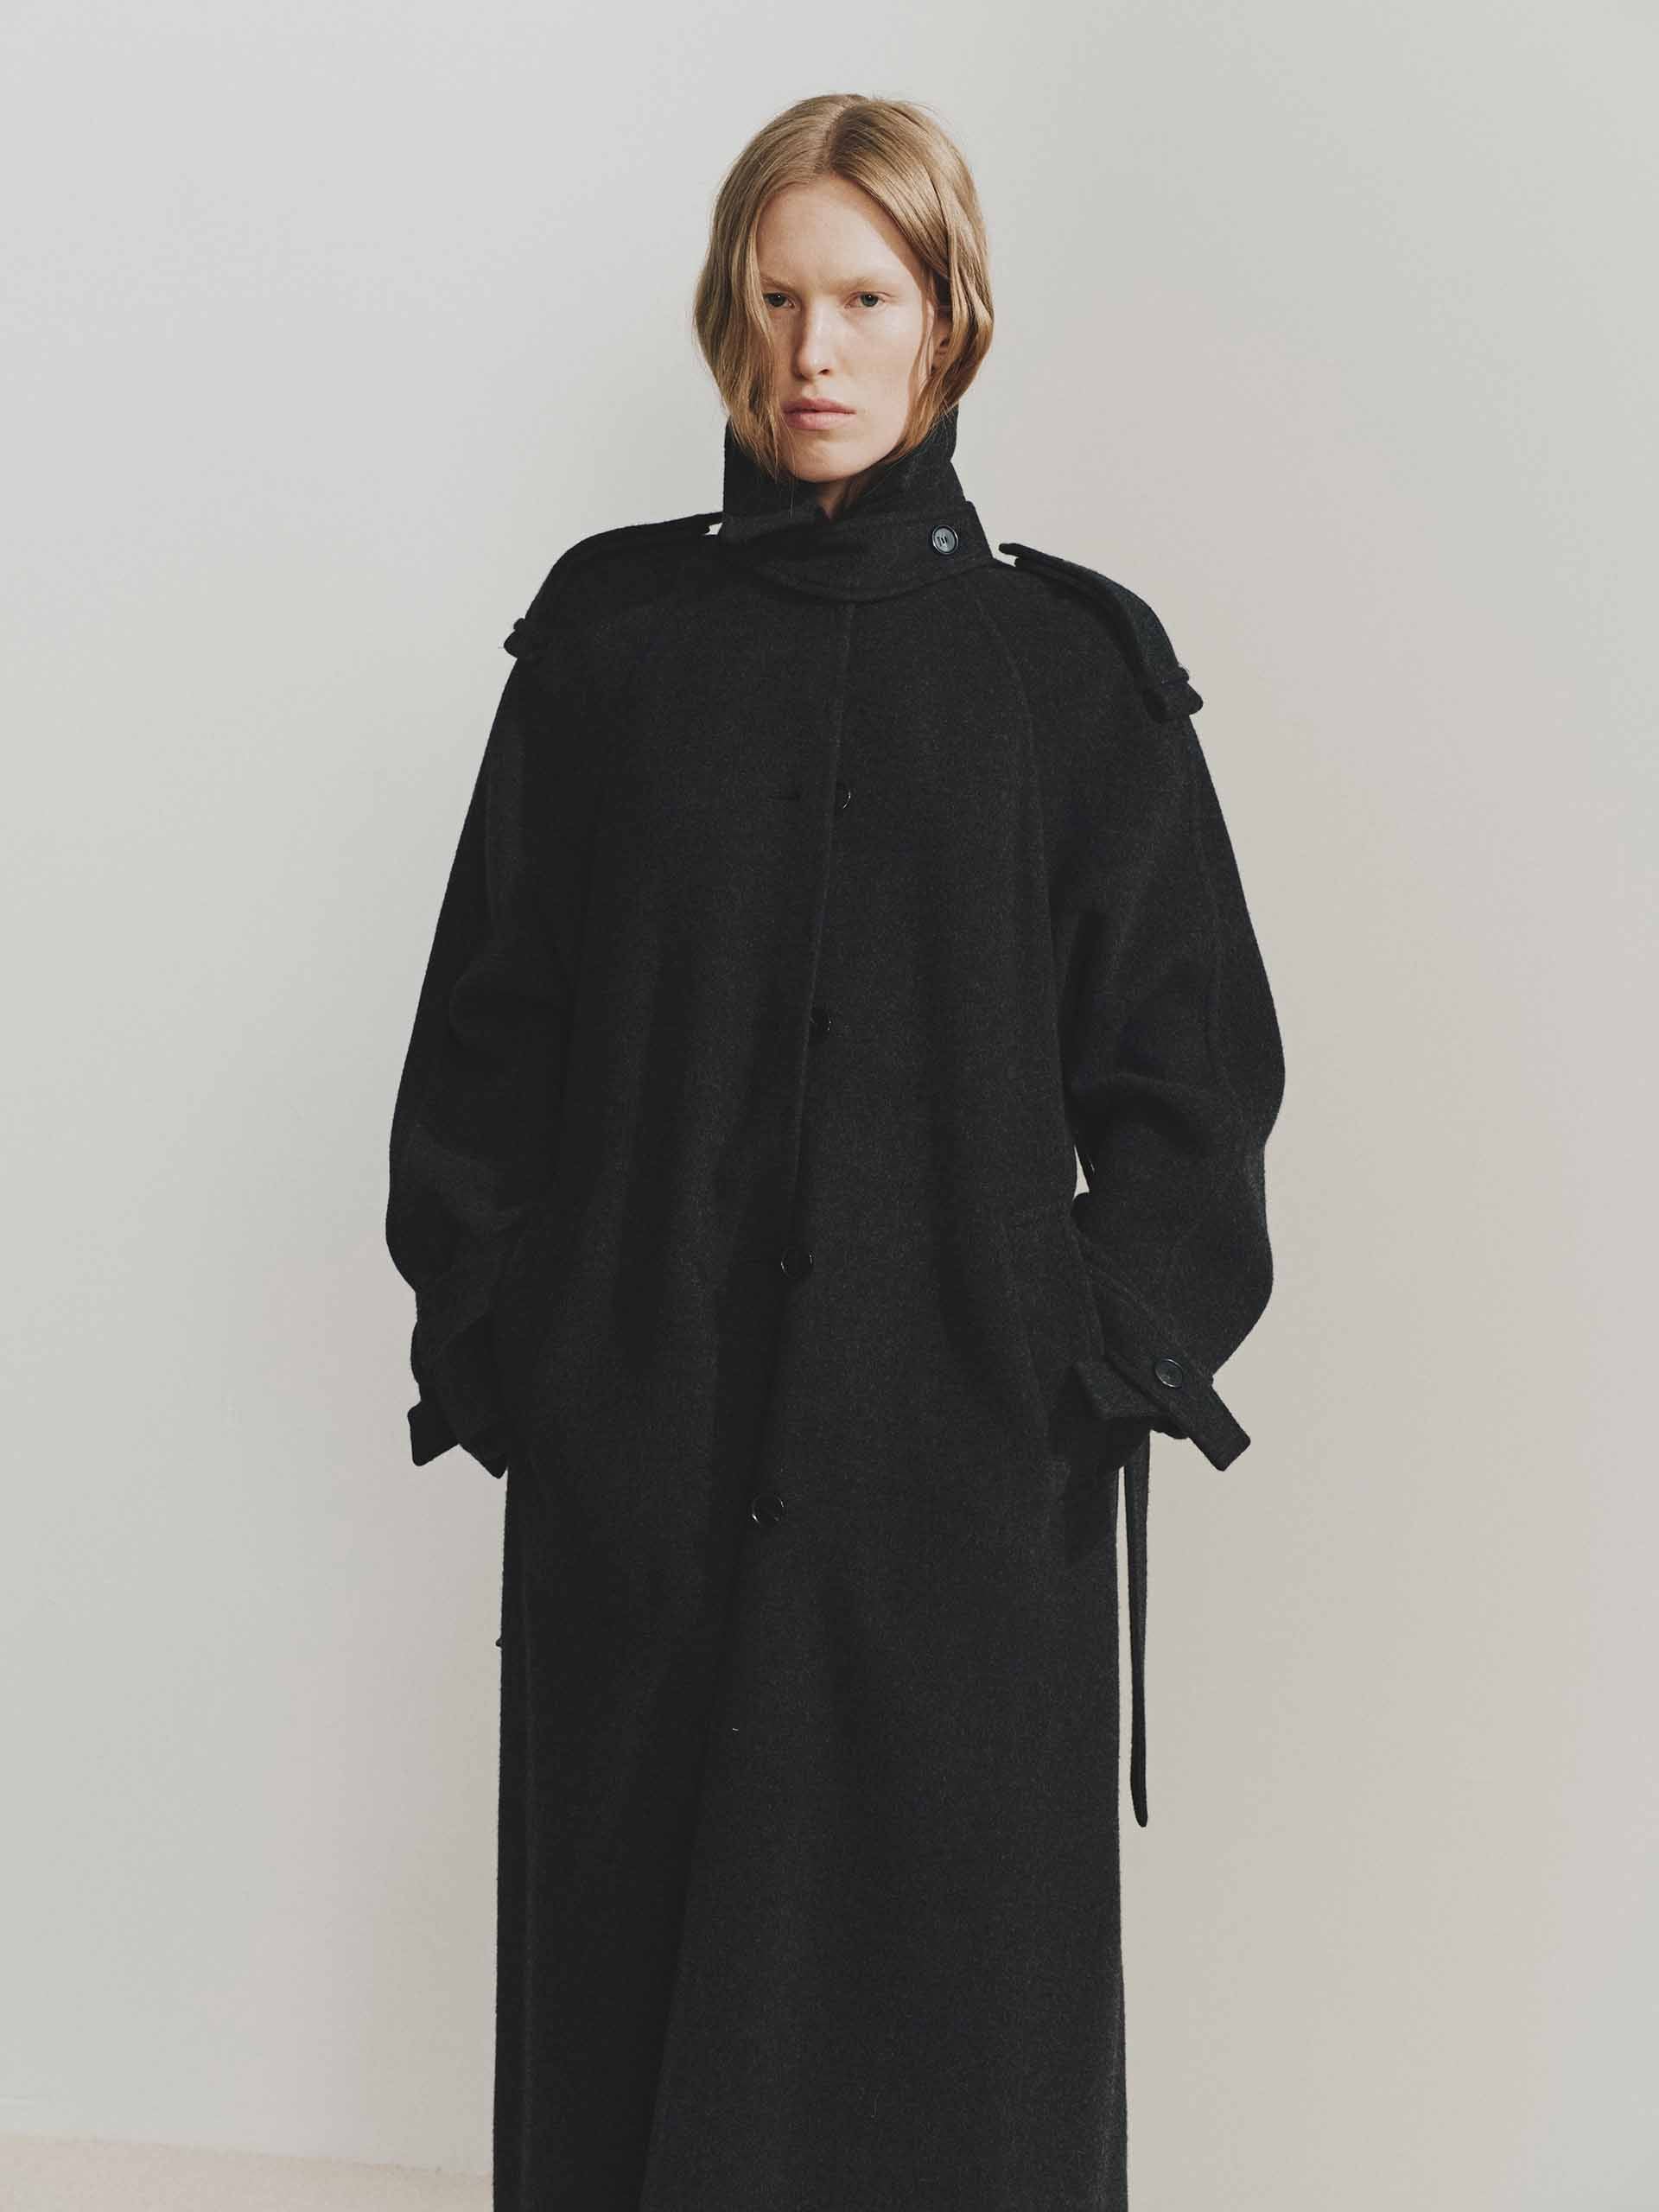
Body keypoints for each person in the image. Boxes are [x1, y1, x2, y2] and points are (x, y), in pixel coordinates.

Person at [385, 91, 1286, 2212]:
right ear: (730, 316)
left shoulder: (1070, 675)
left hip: (965, 1509)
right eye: (780, 299)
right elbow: (485, 1042)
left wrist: (1076, 1354)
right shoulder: (608, 650)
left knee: (948, 2069)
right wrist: (534, 1350)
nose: (817, 350)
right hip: (648, 1475)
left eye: (866, 298)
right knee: (629, 2035)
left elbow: (1194, 1075)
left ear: (949, 319)